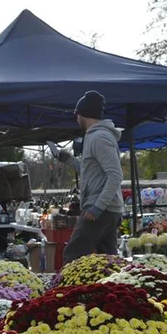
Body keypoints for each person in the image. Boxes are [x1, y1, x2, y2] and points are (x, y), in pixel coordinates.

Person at [62, 90, 124, 264]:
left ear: (83, 114)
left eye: (77, 114)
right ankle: (116, 290)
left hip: (100, 209)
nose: (76, 119)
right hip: (107, 208)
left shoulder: (99, 137)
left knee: (73, 256)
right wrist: (68, 160)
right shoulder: (95, 137)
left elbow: (115, 175)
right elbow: (90, 170)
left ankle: (68, 291)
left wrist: (97, 207)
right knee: (109, 260)